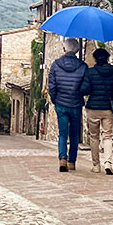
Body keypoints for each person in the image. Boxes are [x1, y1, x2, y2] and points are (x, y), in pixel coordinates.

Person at [81, 47, 113, 175]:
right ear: (107, 58)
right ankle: (108, 163)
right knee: (107, 136)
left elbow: (85, 90)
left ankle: (96, 165)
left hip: (93, 108)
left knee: (94, 137)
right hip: (108, 108)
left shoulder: (90, 72)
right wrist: (111, 95)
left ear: (95, 59)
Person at [48, 37, 88, 172]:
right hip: (76, 104)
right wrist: (79, 94)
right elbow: (85, 87)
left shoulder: (55, 65)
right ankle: (72, 161)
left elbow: (51, 86)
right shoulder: (83, 66)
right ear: (77, 50)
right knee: (75, 134)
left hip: (61, 103)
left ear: (64, 49)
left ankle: (62, 159)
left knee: (62, 133)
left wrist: (55, 100)